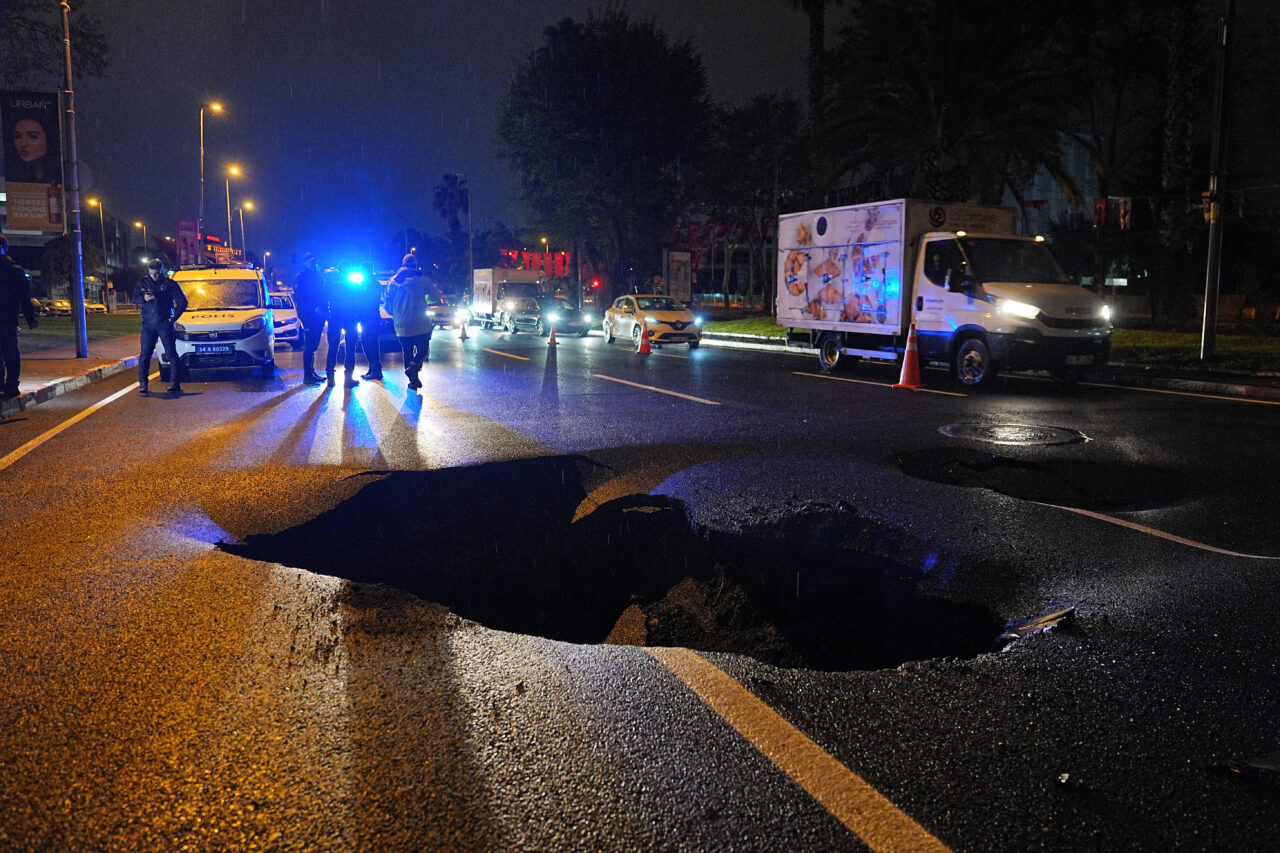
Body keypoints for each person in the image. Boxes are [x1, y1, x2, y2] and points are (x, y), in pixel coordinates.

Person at [131, 258, 188, 396]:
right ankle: (143, 384)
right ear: (148, 272)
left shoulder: (169, 284)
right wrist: (143, 298)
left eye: (156, 273)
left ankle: (175, 384)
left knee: (171, 353)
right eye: (152, 274)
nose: (154, 276)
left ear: (161, 271)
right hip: (148, 324)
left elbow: (183, 302)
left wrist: (173, 318)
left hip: (164, 322)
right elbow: (134, 297)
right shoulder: (142, 283)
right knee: (145, 354)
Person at [387, 253, 438, 390]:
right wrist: (425, 299)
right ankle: (414, 367)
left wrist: (395, 314)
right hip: (421, 323)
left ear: (403, 265)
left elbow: (387, 303)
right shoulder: (424, 281)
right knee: (423, 351)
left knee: (407, 351)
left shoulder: (392, 281)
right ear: (415, 265)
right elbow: (435, 297)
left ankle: (413, 379)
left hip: (401, 324)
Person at [0, 235, 39, 400]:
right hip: (8, 317)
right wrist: (30, 318)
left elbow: (24, 297)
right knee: (10, 352)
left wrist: (30, 317)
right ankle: (9, 385)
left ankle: (9, 384)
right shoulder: (15, 270)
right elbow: (24, 297)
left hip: (7, 317)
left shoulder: (14, 270)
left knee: (9, 352)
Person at [325, 263, 362, 388]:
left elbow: (326, 300)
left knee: (333, 348)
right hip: (350, 319)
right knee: (350, 349)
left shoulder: (332, 285)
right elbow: (359, 302)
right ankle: (348, 378)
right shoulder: (354, 285)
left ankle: (330, 377)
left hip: (335, 318)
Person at [293, 253, 327, 384]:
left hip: (319, 315)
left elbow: (322, 293)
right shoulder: (301, 278)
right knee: (309, 344)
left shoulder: (318, 276)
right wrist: (314, 308)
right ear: (305, 263)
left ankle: (311, 372)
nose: (314, 264)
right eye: (311, 262)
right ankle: (307, 375)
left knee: (314, 344)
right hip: (308, 314)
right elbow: (299, 296)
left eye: (315, 261)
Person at [8, 117, 58, 184]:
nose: (23, 144)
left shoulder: (62, 173)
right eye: (18, 136)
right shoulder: (12, 174)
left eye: (33, 136)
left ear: (48, 139)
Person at [357, 261, 384, 381]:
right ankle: (372, 368)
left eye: (361, 269)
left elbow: (369, 301)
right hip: (366, 318)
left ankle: (376, 370)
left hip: (371, 318)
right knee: (366, 343)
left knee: (371, 344)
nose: (360, 272)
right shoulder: (365, 283)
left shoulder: (373, 284)